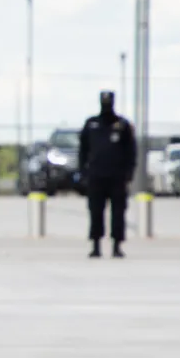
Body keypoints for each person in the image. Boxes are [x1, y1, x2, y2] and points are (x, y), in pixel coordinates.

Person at [79, 90, 137, 258]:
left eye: (108, 102)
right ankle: (96, 245)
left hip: (117, 177)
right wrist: (84, 172)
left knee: (118, 212)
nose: (106, 105)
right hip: (96, 176)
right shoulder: (91, 124)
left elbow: (131, 151)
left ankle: (117, 246)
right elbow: (83, 150)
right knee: (96, 212)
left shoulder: (123, 125)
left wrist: (129, 173)